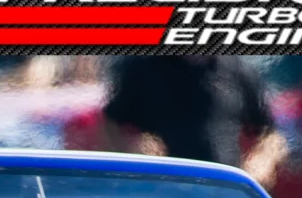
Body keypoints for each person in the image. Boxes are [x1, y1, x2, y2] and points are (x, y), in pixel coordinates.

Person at [100, 56, 287, 185]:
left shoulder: (237, 70)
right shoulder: (143, 69)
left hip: (223, 188)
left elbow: (270, 134)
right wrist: (134, 148)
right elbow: (111, 123)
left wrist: (260, 164)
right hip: (163, 188)